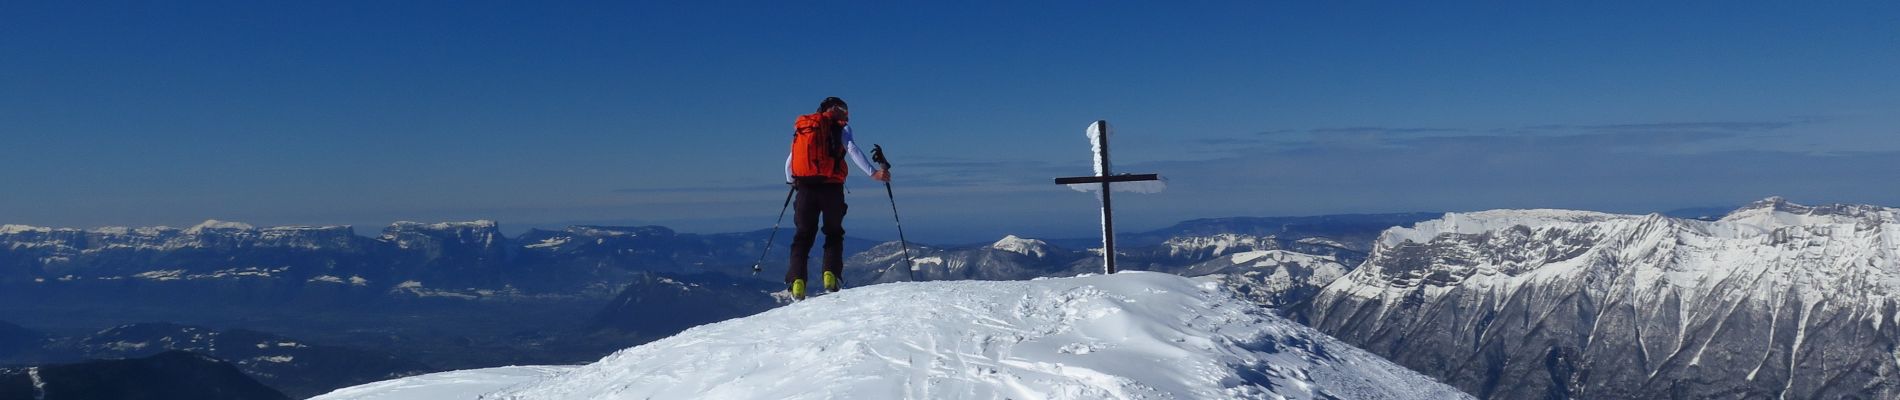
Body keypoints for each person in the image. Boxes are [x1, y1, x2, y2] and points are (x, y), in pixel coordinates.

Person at [784, 96, 888, 300]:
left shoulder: (805, 129)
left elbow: (790, 162)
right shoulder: (841, 128)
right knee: (833, 233)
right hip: (832, 188)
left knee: (803, 236)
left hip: (805, 187)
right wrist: (873, 173)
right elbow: (852, 150)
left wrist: (792, 182)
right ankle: (830, 277)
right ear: (839, 110)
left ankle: (797, 282)